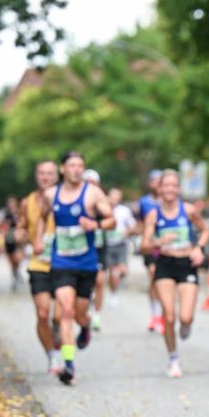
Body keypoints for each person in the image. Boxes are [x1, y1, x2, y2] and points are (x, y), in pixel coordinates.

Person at [34, 152, 115, 385]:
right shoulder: (51, 195)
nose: (77, 170)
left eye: (81, 166)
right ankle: (69, 365)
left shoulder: (93, 193)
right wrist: (39, 239)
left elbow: (112, 220)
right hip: (61, 263)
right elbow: (41, 217)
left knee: (79, 314)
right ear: (63, 169)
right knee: (66, 311)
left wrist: (96, 224)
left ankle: (87, 325)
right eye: (72, 165)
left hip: (86, 264)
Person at [139, 169, 209, 378]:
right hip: (165, 264)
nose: (170, 189)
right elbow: (144, 245)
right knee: (168, 316)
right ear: (159, 188)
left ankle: (186, 325)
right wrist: (158, 242)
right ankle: (173, 358)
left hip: (186, 263)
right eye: (166, 185)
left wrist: (199, 248)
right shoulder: (153, 214)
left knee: (185, 316)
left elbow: (205, 230)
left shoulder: (188, 210)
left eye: (174, 185)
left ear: (178, 189)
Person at [17, 160, 63, 375]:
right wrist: (22, 237)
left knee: (59, 316)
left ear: (58, 175)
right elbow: (21, 227)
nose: (45, 177)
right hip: (39, 263)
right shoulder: (28, 201)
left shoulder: (66, 197)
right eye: (41, 173)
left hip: (64, 262)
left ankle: (58, 331)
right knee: (43, 314)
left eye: (50, 173)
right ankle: (52, 355)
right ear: (36, 176)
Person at [137, 170, 164, 333]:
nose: (156, 183)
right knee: (154, 276)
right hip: (151, 246)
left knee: (163, 281)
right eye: (153, 180)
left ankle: (163, 313)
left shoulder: (170, 199)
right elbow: (140, 221)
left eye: (159, 180)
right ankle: (155, 315)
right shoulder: (144, 202)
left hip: (167, 247)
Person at [82, 169, 107, 331]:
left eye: (93, 183)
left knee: (99, 281)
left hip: (99, 248)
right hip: (80, 249)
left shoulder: (102, 202)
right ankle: (85, 312)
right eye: (87, 182)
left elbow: (112, 222)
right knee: (85, 285)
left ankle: (97, 314)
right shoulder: (75, 201)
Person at [105, 187, 137, 306]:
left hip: (121, 244)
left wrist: (127, 232)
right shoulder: (103, 209)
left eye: (117, 197)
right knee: (112, 272)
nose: (114, 200)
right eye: (112, 197)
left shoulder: (124, 210)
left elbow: (133, 226)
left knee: (123, 271)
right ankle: (113, 293)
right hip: (107, 245)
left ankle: (115, 285)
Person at [0, 196, 24, 291]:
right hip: (9, 239)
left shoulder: (19, 213)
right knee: (12, 261)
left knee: (18, 258)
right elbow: (3, 227)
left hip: (18, 239)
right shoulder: (6, 215)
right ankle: (15, 275)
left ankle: (17, 272)